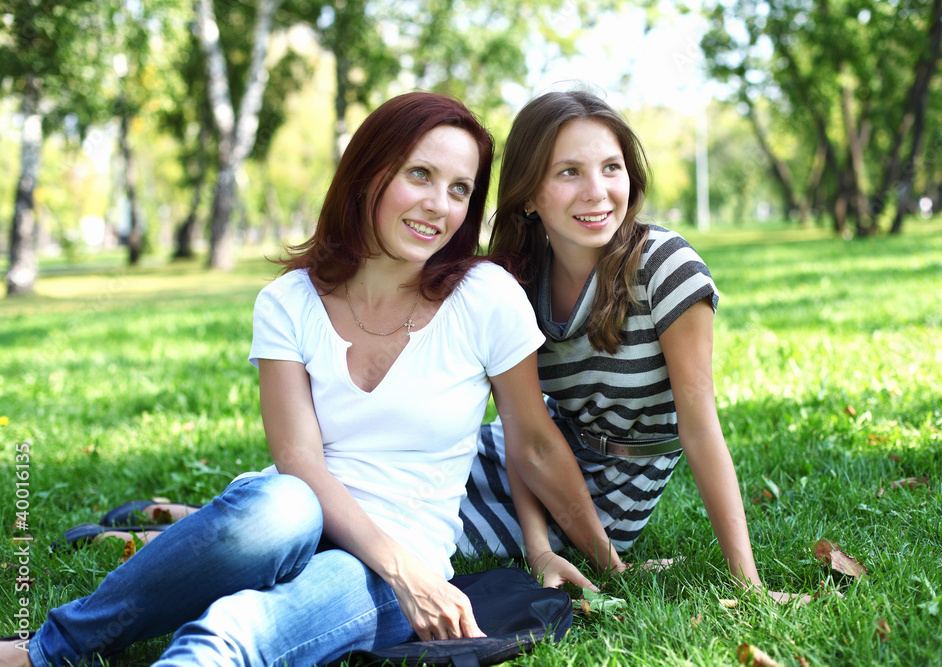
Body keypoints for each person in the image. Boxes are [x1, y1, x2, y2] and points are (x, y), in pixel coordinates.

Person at [0, 91, 619, 667]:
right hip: (289, 523)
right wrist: (401, 568)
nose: (440, 205)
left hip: (389, 561)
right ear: (369, 173)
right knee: (284, 501)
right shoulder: (288, 301)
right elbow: (298, 462)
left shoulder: (485, 297)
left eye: (460, 189)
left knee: (232, 633)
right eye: (420, 175)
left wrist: (598, 560)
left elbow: (533, 441)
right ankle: (47, 650)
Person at [460, 90, 804, 602]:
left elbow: (701, 426)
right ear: (529, 195)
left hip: (614, 488)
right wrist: (537, 551)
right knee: (400, 488)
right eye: (568, 172)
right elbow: (525, 435)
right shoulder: (515, 283)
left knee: (437, 538)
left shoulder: (666, 268)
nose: (597, 191)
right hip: (527, 464)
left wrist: (748, 586)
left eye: (611, 167)